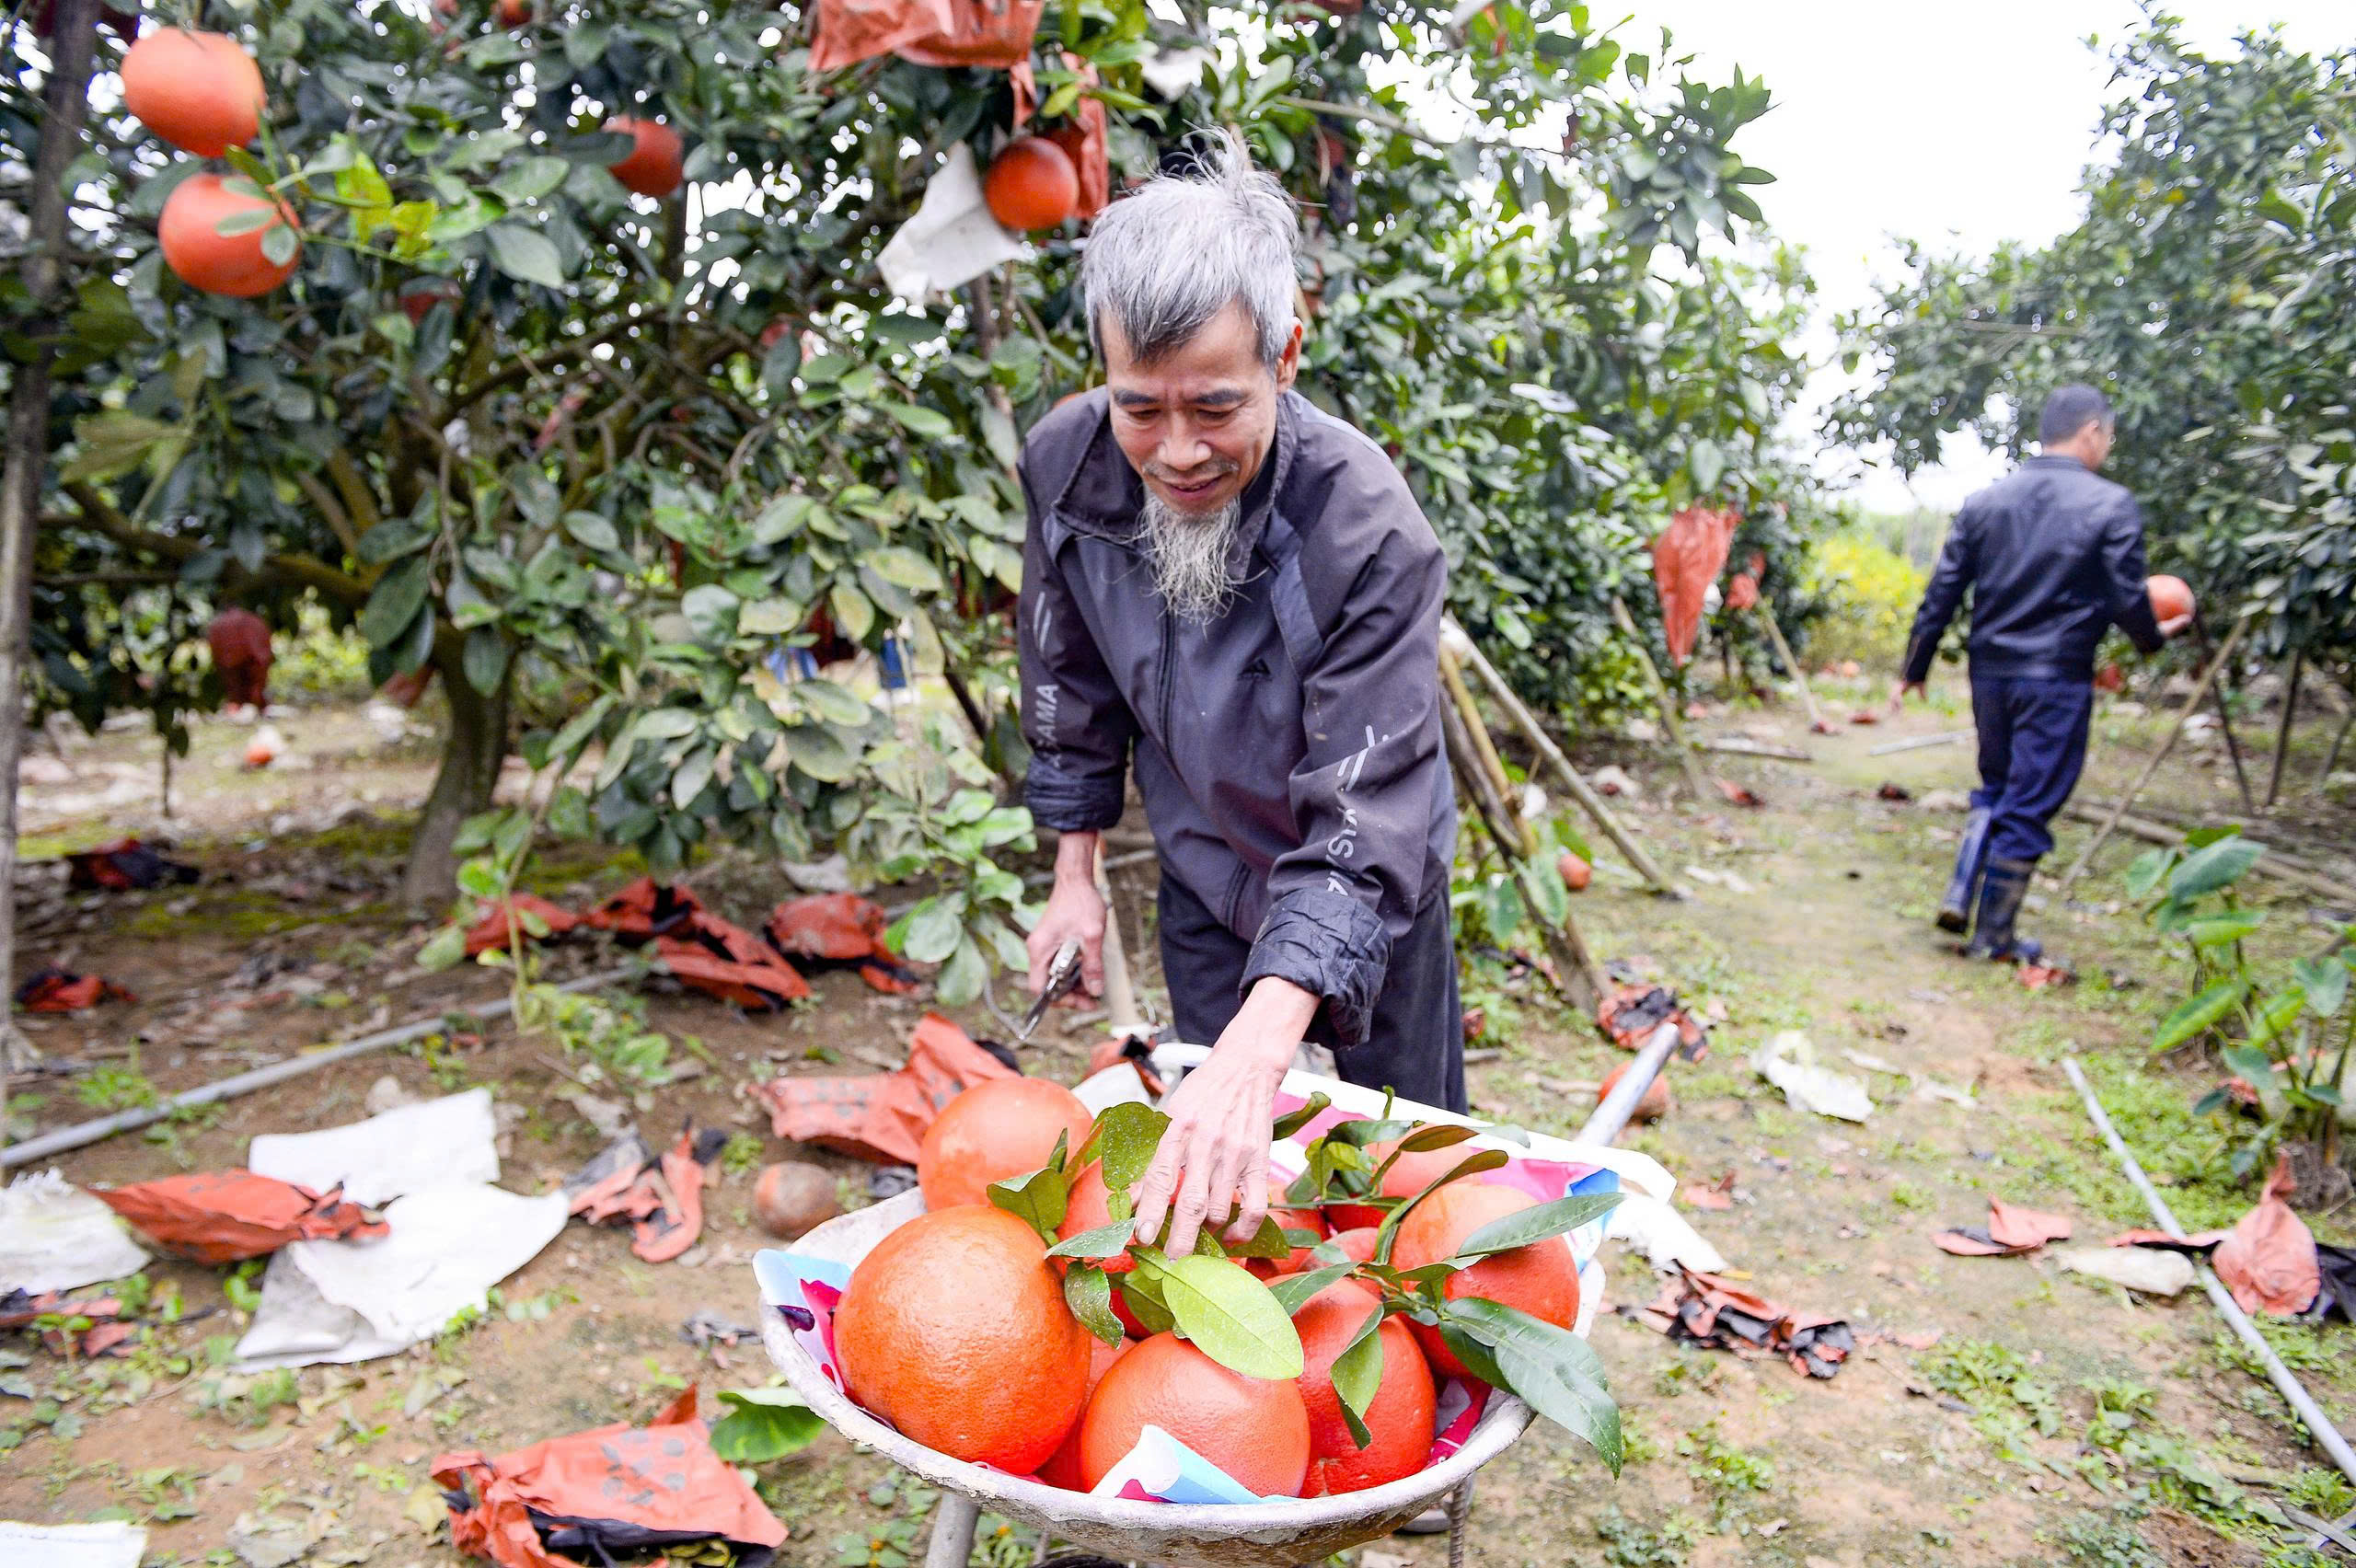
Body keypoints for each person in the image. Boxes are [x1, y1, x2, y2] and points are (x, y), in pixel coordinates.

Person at [1016, 132, 1462, 1260]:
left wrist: (1265, 1048)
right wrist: (1072, 877)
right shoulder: (1069, 467)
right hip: (1204, 865)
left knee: (1404, 1178)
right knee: (1223, 1193)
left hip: (1371, 880)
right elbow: (1067, 678)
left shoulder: (1364, 528)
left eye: (1215, 408)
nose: (1176, 452)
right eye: (1140, 408)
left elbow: (1366, 817)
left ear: (1285, 354)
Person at [1891, 384, 2192, 963]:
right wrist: (2154, 637)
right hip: (2055, 674)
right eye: (2108, 436)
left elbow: (1944, 590)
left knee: (1998, 784)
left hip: (1990, 672)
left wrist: (1915, 665)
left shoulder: (1986, 501)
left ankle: (1961, 892)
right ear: (2092, 432)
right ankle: (1993, 937)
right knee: (2031, 799)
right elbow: (2128, 597)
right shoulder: (2110, 505)